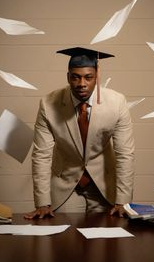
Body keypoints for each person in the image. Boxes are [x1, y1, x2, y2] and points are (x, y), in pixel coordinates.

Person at [24, 47, 135, 219]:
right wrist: (42, 202)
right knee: (64, 239)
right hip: (65, 184)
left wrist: (123, 201)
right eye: (75, 77)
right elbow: (41, 155)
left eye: (88, 77)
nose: (81, 83)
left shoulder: (117, 103)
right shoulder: (48, 104)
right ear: (68, 77)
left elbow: (125, 154)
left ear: (97, 77)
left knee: (105, 239)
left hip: (103, 185)